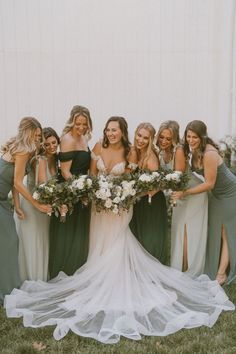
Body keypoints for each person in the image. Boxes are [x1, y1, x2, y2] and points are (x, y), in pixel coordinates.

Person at [4, 116, 234, 344]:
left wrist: (120, 194)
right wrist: (98, 191)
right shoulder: (96, 147)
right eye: (108, 129)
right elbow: (93, 176)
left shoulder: (130, 151)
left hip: (121, 207)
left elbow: (132, 179)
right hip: (99, 207)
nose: (110, 133)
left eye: (115, 130)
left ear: (122, 132)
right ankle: (96, 276)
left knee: (117, 244)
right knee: (99, 245)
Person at [173, 120, 236, 285]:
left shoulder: (209, 154)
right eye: (188, 136)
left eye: (195, 137)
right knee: (214, 230)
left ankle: (221, 274)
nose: (191, 140)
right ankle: (215, 267)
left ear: (202, 137)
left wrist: (184, 193)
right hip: (216, 196)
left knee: (225, 231)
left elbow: (209, 184)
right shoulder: (193, 151)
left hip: (230, 193)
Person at [0, 117, 51, 304]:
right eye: (36, 135)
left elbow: (15, 181)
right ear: (28, 133)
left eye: (40, 136)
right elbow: (18, 182)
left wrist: (18, 205)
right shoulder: (23, 150)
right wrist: (36, 205)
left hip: (3, 201)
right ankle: (5, 290)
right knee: (10, 242)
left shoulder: (18, 146)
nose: (39, 139)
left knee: (11, 242)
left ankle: (7, 286)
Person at [156, 120, 208, 276]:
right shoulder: (160, 152)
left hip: (193, 192)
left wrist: (159, 185)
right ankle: (179, 267)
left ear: (174, 138)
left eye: (168, 138)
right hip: (178, 194)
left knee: (189, 231)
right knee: (178, 229)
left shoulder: (178, 150)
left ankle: (188, 269)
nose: (164, 141)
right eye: (162, 137)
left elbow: (177, 178)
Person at [48, 105, 92, 278]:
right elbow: (65, 172)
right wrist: (80, 190)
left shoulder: (85, 138)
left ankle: (77, 271)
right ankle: (63, 271)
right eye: (78, 124)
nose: (81, 127)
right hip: (69, 192)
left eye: (84, 124)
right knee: (68, 233)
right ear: (72, 122)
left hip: (81, 189)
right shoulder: (67, 139)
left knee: (79, 233)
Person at [16, 127, 60, 282]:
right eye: (47, 145)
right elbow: (43, 186)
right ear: (42, 146)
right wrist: (59, 202)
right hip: (33, 207)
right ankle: (31, 280)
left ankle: (39, 278)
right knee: (33, 243)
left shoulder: (56, 159)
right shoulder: (40, 159)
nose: (52, 146)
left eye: (54, 142)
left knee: (42, 242)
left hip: (45, 208)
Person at [129, 123, 168, 263]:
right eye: (139, 135)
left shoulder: (150, 157)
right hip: (141, 202)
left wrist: (134, 195)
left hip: (152, 202)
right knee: (139, 236)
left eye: (145, 138)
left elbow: (157, 185)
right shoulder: (136, 152)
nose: (141, 140)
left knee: (150, 238)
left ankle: (152, 268)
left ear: (150, 140)